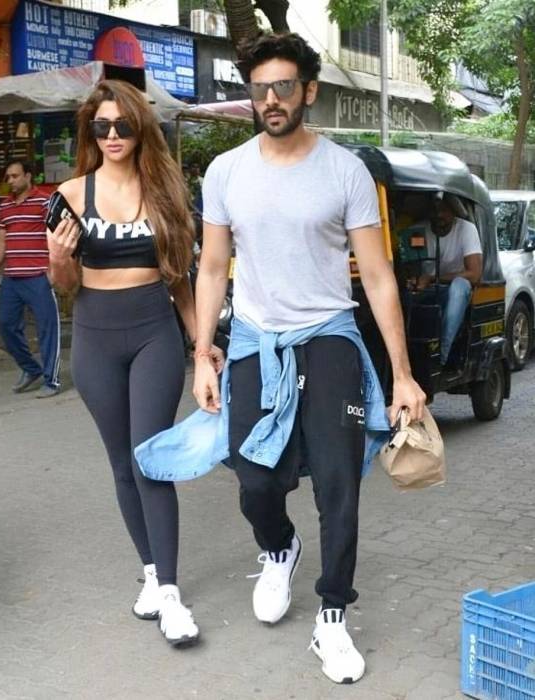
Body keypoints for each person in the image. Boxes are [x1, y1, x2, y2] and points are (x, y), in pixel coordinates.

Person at [192, 33, 426, 684]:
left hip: (327, 336)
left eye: (283, 86)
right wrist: (202, 354)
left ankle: (332, 616)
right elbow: (211, 267)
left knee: (336, 481)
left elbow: (376, 275)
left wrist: (402, 373)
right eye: (259, 88)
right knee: (255, 480)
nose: (270, 99)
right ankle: (279, 548)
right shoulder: (226, 172)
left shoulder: (344, 171)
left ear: (308, 91)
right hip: (254, 338)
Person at [46, 80, 223, 647]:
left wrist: (202, 350)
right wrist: (58, 258)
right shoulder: (69, 196)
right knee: (122, 464)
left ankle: (170, 594)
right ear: (90, 132)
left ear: (140, 128)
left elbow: (181, 281)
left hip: (153, 335)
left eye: (123, 125)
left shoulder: (164, 193)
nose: (113, 135)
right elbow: (64, 285)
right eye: (102, 126)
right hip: (94, 338)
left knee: (151, 459)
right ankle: (150, 571)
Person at [0, 161, 61, 398]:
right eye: (8, 177)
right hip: (11, 278)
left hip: (38, 276)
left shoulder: (45, 201)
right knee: (6, 325)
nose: (10, 181)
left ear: (28, 176)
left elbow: (58, 234)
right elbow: (1, 240)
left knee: (47, 328)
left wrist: (54, 269)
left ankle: (51, 380)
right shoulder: (5, 206)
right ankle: (31, 369)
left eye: (15, 176)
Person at [416, 195, 483, 364]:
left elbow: (474, 274)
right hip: (425, 290)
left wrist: (432, 278)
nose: (438, 215)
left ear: (454, 212)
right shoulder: (417, 230)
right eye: (434, 210)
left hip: (451, 291)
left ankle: (441, 355)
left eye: (444, 210)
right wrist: (413, 281)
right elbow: (408, 267)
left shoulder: (466, 229)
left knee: (460, 286)